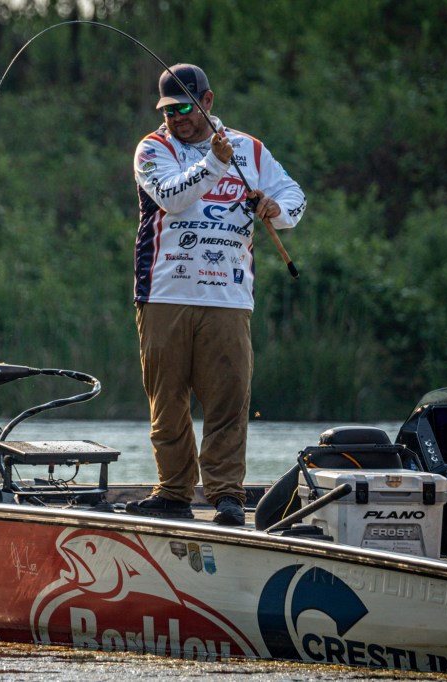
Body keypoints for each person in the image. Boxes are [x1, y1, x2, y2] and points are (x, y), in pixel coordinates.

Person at [126, 64, 306, 525]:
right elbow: (171, 197)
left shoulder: (251, 149)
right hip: (164, 293)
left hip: (229, 296)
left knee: (228, 400)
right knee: (168, 401)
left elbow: (296, 198)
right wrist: (214, 164)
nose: (177, 119)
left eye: (185, 108)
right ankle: (173, 492)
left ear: (207, 101)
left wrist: (276, 208)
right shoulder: (153, 149)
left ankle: (227, 494)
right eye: (168, 111)